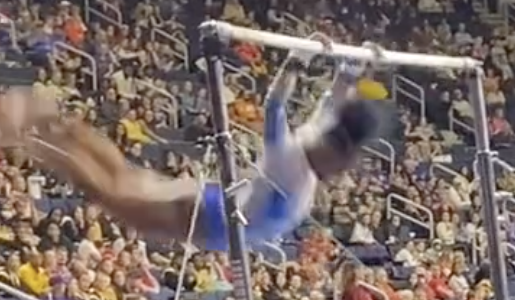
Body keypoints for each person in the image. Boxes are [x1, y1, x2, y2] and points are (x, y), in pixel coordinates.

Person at [0, 48, 384, 248]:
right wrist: (297, 61)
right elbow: (274, 106)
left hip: (215, 205)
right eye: (341, 164)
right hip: (210, 219)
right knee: (109, 193)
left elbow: (332, 105)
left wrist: (347, 70)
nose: (341, 174)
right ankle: (36, 138)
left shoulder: (312, 140)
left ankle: (61, 127)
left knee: (124, 179)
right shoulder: (290, 163)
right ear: (332, 154)